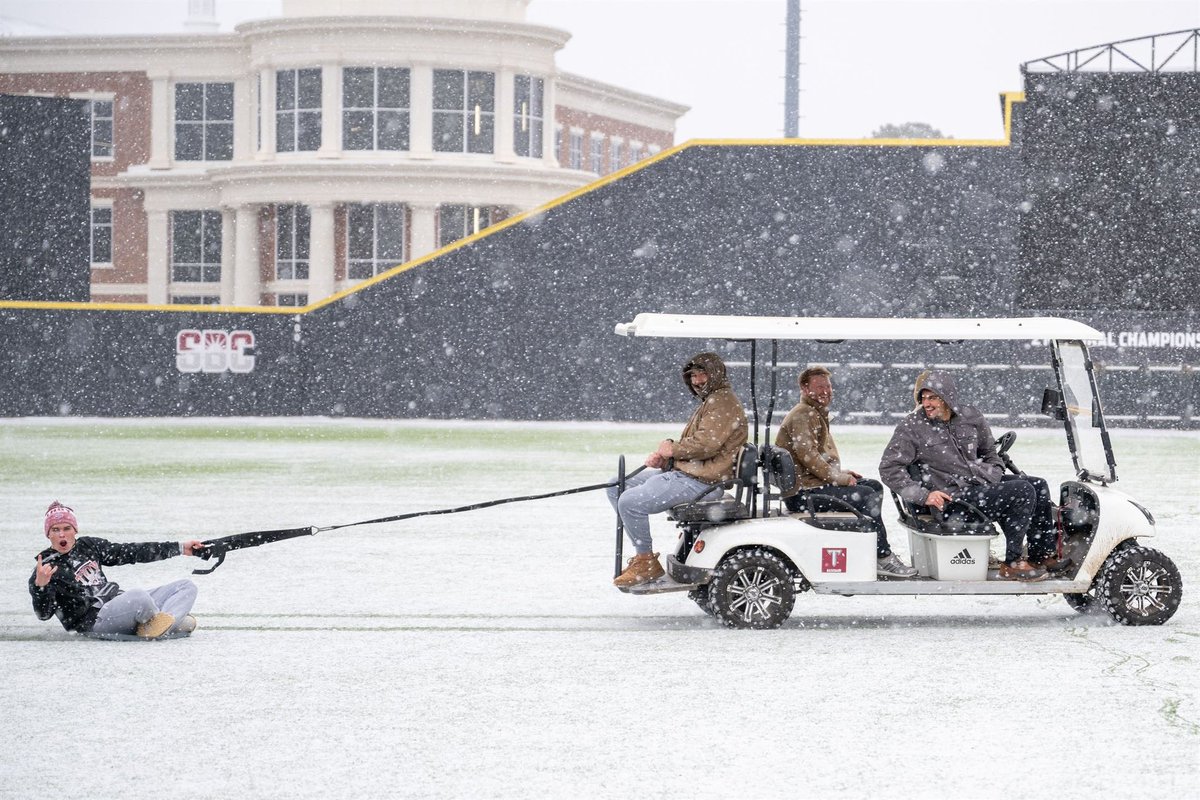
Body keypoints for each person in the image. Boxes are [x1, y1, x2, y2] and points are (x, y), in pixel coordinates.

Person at [879, 372, 1057, 581]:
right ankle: (1013, 563)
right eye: (923, 398)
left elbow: (990, 452)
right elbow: (889, 468)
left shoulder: (971, 417)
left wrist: (995, 471)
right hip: (952, 500)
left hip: (980, 487)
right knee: (1021, 490)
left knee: (1037, 484)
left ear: (947, 397)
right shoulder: (912, 427)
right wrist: (923, 496)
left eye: (932, 398)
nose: (926, 404)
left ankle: (1041, 555)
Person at [608, 352, 748, 587]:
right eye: (693, 375)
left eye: (703, 374)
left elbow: (707, 444)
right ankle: (642, 558)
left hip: (704, 482)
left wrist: (672, 450)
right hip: (690, 473)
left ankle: (646, 562)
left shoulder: (723, 401)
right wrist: (667, 461)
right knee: (616, 486)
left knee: (630, 502)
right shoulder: (712, 400)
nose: (697, 380)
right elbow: (701, 447)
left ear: (716, 373)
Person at [775, 366, 917, 578]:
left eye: (828, 386)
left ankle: (872, 550)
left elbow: (813, 459)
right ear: (804, 388)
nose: (826, 391)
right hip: (803, 495)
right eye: (819, 386)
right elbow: (809, 457)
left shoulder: (813, 413)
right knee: (866, 496)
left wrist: (841, 472)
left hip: (809, 487)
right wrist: (839, 478)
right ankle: (883, 556)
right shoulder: (803, 415)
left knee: (873, 486)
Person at [29, 501, 204, 638]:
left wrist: (180, 548)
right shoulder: (45, 567)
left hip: (118, 605)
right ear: (48, 534)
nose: (61, 534)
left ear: (75, 530)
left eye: (66, 528)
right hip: (94, 621)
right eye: (55, 530)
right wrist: (41, 587)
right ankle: (166, 623)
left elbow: (131, 552)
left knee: (186, 587)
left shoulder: (89, 545)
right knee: (138, 597)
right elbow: (43, 615)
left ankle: (158, 624)